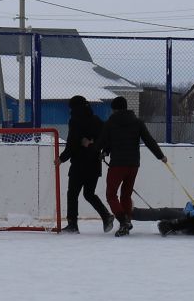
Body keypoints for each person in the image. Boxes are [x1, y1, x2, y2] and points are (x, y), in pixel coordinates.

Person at [98, 95, 166, 236]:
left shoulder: (110, 122)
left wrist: (97, 150)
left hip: (117, 164)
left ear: (114, 109)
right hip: (134, 164)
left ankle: (123, 222)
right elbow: (149, 140)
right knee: (126, 194)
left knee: (111, 195)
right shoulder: (137, 122)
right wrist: (161, 156)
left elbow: (103, 141)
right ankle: (127, 219)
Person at [57, 95, 111, 233]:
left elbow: (72, 143)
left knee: (72, 194)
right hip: (94, 164)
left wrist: (61, 158)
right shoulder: (97, 120)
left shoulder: (75, 121)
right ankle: (106, 216)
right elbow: (107, 138)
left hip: (79, 164)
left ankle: (72, 224)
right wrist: (104, 151)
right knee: (89, 193)